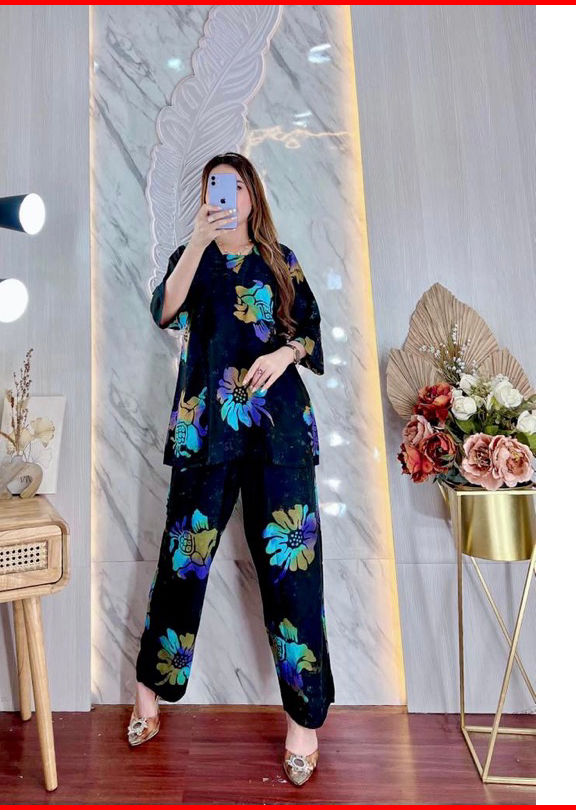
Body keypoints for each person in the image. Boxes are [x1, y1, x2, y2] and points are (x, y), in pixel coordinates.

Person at [128, 152, 335, 786]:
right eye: (216, 186)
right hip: (207, 431)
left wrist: (284, 354)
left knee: (293, 575)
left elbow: (311, 329)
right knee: (181, 561)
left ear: (252, 196)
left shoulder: (281, 259)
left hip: (279, 432)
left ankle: (304, 722)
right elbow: (164, 311)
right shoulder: (190, 258)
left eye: (237, 185)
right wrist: (195, 240)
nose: (227, 195)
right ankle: (147, 692)